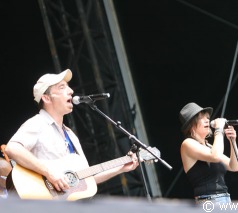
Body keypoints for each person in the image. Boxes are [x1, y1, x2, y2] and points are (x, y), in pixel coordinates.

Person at [5, 69, 139, 199]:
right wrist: (49, 172)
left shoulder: (70, 135)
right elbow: (12, 148)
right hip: (41, 202)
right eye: (62, 87)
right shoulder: (38, 123)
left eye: (68, 87)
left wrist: (121, 167)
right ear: (46, 98)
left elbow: (86, 179)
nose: (71, 91)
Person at [179, 102, 238, 204]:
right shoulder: (187, 144)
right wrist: (219, 129)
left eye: (207, 117)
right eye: (201, 118)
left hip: (225, 198)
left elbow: (234, 166)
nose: (207, 120)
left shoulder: (210, 146)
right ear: (191, 125)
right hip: (209, 201)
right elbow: (215, 156)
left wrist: (232, 141)